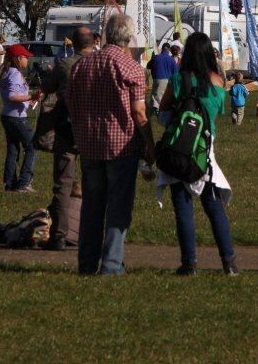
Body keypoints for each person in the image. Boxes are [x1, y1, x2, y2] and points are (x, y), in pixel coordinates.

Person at [65, 14, 155, 276]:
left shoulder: (82, 65)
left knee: (92, 206)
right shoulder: (131, 68)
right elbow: (139, 113)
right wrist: (150, 143)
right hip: (121, 146)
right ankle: (112, 263)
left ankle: (87, 262)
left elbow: (70, 101)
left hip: (89, 144)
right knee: (118, 207)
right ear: (128, 37)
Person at [156, 32, 238, 276]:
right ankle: (229, 261)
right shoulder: (218, 82)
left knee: (183, 206)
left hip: (180, 145)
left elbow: (162, 112)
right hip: (205, 146)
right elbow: (218, 112)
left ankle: (189, 263)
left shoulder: (179, 78)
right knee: (213, 206)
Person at [44, 26, 95, 251]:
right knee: (93, 183)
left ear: (73, 43)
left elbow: (47, 87)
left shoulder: (65, 65)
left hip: (67, 127)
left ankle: (59, 234)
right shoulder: (99, 63)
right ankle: (91, 232)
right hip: (94, 129)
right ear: (92, 42)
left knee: (63, 183)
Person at [0, 43, 39, 192]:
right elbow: (12, 96)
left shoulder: (7, 71)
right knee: (32, 146)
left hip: (7, 115)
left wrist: (29, 100)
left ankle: (9, 183)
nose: (28, 60)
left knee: (13, 149)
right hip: (17, 118)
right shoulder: (15, 73)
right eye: (26, 57)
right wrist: (31, 96)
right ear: (19, 58)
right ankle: (24, 182)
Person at [147, 43, 178, 114]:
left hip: (156, 79)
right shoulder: (171, 59)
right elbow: (175, 72)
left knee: (155, 96)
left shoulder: (156, 57)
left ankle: (155, 112)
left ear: (162, 48)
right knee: (161, 96)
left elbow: (148, 66)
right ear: (169, 50)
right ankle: (158, 112)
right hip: (167, 80)